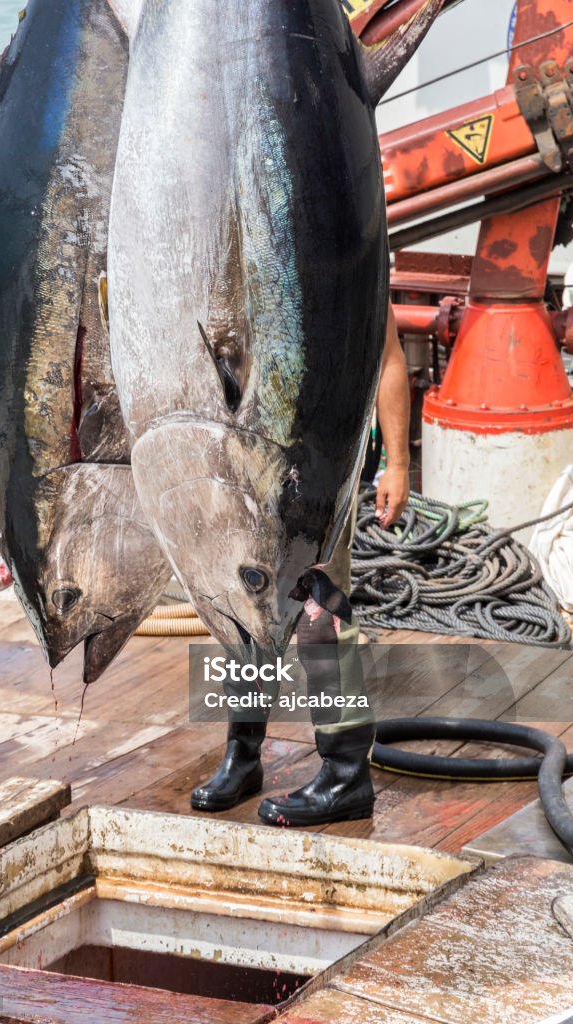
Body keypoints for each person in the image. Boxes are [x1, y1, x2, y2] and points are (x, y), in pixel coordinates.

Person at [191, 303, 411, 826]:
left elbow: (388, 357)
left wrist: (397, 463)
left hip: (319, 461)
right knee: (241, 608)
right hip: (234, 459)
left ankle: (344, 774)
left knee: (321, 612)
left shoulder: (346, 233)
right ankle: (243, 756)